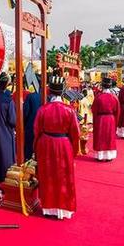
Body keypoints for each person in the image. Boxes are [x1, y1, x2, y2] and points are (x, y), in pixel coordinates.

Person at [33, 76, 80, 220]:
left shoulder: (43, 109)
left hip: (46, 144)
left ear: (50, 91)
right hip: (64, 144)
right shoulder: (69, 110)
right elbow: (76, 133)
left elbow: (36, 131)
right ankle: (63, 208)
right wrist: (74, 151)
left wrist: (35, 149)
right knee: (64, 177)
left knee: (48, 175)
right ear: (63, 91)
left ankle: (48, 208)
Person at [91, 76, 120, 161]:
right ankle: (109, 156)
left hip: (100, 119)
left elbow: (94, 110)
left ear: (102, 86)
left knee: (100, 137)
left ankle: (100, 156)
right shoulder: (114, 97)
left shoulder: (98, 97)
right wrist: (116, 122)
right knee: (109, 137)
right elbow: (118, 111)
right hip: (110, 119)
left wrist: (95, 121)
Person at [23, 86, 42, 159]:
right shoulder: (47, 96)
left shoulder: (30, 96)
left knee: (29, 148)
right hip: (42, 127)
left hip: (31, 125)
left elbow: (25, 112)